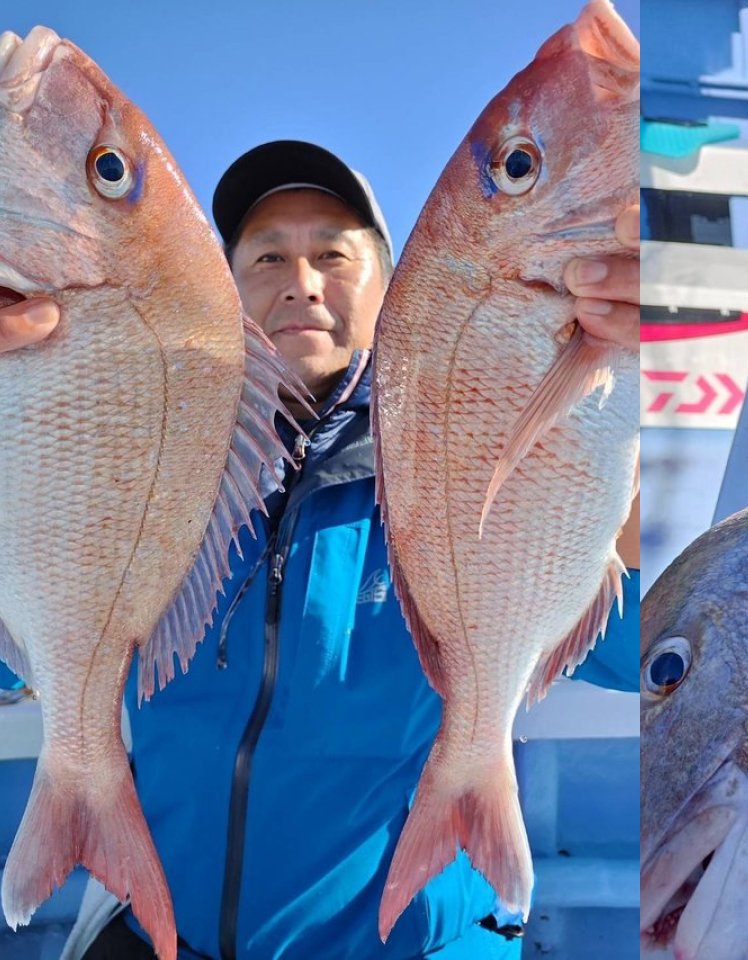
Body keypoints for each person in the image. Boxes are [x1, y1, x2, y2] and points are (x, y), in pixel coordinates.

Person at [2, 141, 639, 959]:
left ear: (390, 287)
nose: (300, 280)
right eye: (267, 255)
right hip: (162, 937)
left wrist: (615, 427)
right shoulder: (144, 460)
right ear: (221, 291)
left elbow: (638, 655)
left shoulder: (466, 460)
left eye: (333, 255)